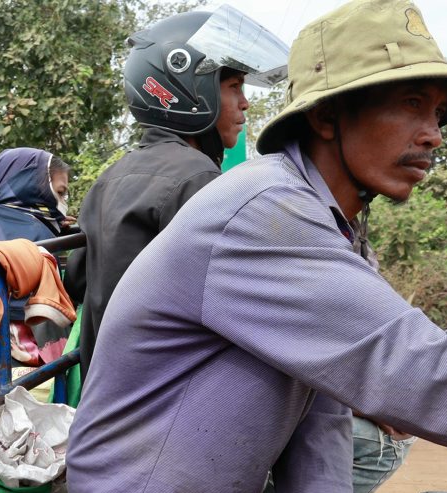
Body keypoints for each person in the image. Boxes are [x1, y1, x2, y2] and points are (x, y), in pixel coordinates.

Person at [60, 1, 447, 493]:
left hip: (216, 489)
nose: (433, 133)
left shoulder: (331, 224)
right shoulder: (267, 210)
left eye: (437, 112)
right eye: (410, 104)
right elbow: (415, 363)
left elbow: (319, 424)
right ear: (326, 116)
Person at [63, 6, 288, 381]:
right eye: (234, 87)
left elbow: (76, 281)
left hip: (107, 381)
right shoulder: (198, 178)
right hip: (167, 386)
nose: (245, 103)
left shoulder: (109, 177)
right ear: (191, 91)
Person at [0, 147, 73, 364]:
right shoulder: (40, 236)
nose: (63, 202)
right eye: (60, 193)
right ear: (32, 190)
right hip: (33, 359)